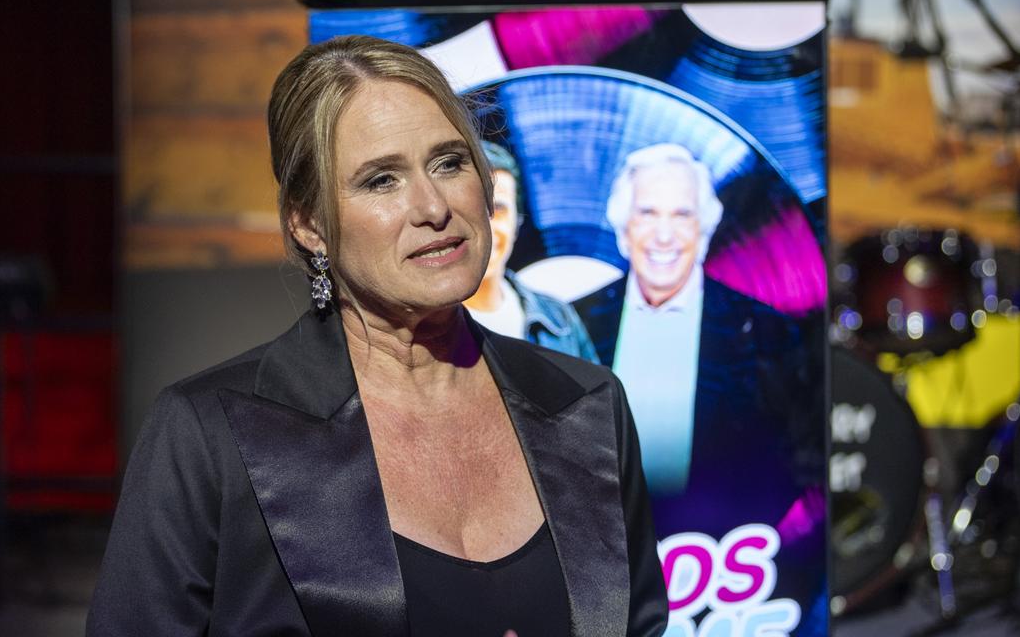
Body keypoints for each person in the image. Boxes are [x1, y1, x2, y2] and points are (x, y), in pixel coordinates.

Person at [88, 36, 668, 636]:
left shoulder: (588, 406)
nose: (434, 206)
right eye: (381, 180)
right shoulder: (208, 434)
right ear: (309, 224)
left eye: (449, 161)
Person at [572, 143, 813, 532]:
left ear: (703, 230)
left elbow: (795, 467)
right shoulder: (576, 321)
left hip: (721, 562)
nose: (664, 235)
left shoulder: (767, 332)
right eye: (648, 213)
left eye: (682, 214)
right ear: (623, 227)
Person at [464, 141, 597, 362]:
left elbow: (600, 396)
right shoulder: (420, 331)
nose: (485, 227)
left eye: (498, 209)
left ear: (517, 223)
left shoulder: (559, 320)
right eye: (470, 209)